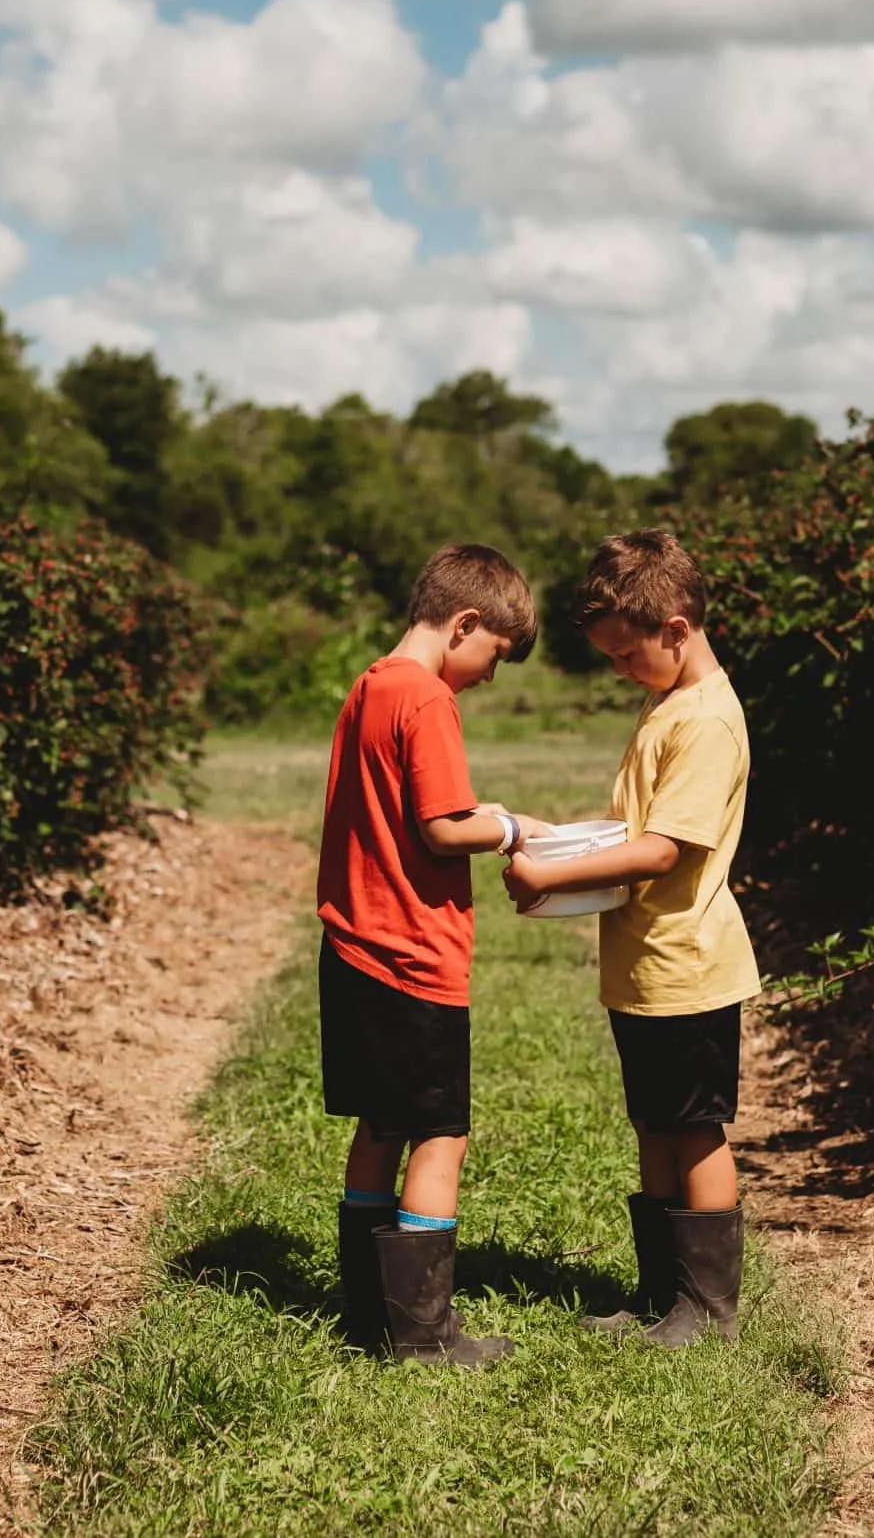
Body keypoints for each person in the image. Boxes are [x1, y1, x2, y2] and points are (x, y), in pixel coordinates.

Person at [504, 531, 759, 1347]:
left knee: (694, 1126)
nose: (620, 669)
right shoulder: (668, 703)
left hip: (688, 961)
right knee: (655, 1121)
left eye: (626, 653)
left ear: (677, 630)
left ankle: (709, 1308)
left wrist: (551, 877)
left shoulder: (707, 722)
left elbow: (665, 848)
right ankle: (662, 1292)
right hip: (646, 962)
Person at [318, 544, 546, 1366]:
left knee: (381, 1124)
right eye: (495, 655)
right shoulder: (427, 700)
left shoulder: (371, 684)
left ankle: (366, 1313)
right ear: (466, 623)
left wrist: (481, 811)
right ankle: (422, 1332)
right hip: (415, 955)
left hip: (352, 946)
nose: (489, 675)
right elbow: (444, 826)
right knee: (440, 1136)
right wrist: (515, 826)